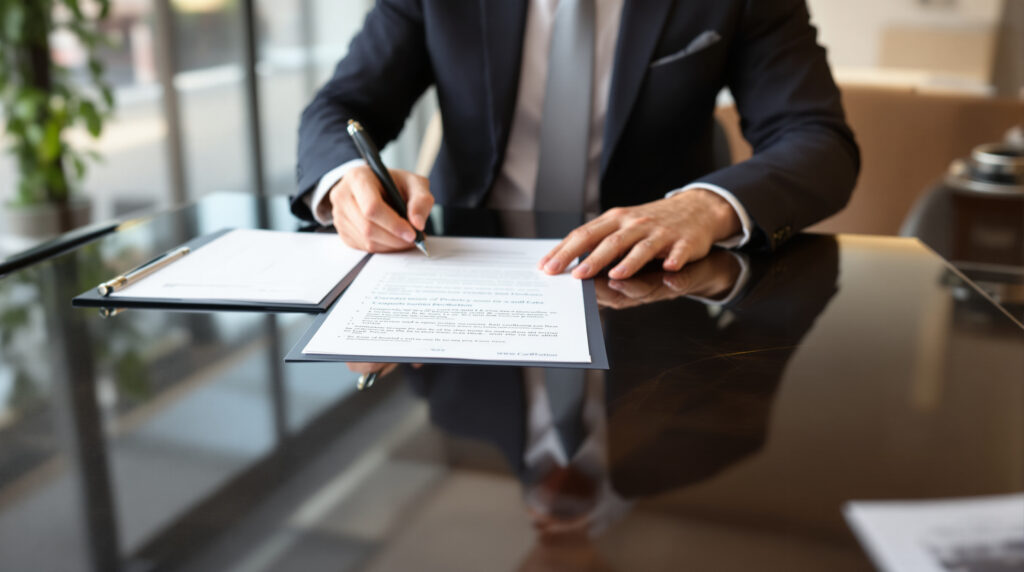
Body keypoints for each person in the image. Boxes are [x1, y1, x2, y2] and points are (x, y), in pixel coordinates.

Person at [292, 0, 859, 280]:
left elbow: (817, 138)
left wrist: (705, 206)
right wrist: (346, 177)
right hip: (461, 263)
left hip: (650, 284)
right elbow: (343, 107)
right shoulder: (458, 431)